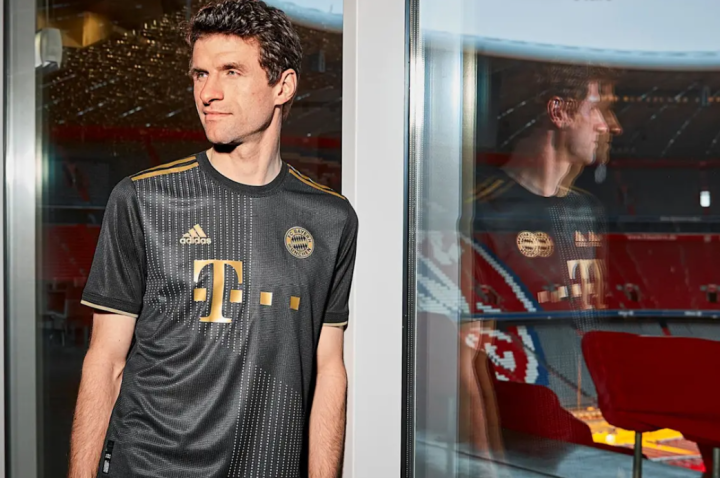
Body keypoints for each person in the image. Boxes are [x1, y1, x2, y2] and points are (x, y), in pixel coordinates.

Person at [68, 1, 358, 477]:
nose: (208, 92)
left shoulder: (331, 219)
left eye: (231, 72)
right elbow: (106, 361)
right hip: (149, 467)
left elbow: (329, 369)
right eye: (200, 74)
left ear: (282, 86)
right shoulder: (143, 199)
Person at [457, 64, 622, 452]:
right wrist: (488, 464)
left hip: (580, 419)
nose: (611, 126)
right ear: (559, 112)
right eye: (599, 109)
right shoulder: (484, 212)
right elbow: (466, 357)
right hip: (519, 430)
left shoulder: (587, 211)